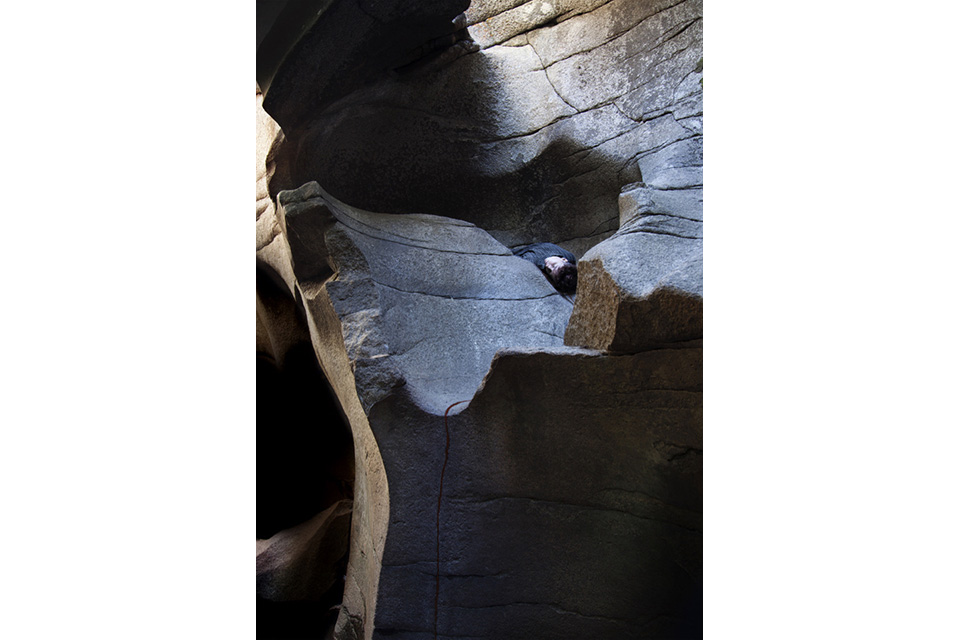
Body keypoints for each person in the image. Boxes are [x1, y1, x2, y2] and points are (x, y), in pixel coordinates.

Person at [512, 242, 578, 294]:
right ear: (564, 259)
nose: (548, 266)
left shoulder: (568, 259)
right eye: (554, 266)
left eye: (549, 271)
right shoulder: (570, 257)